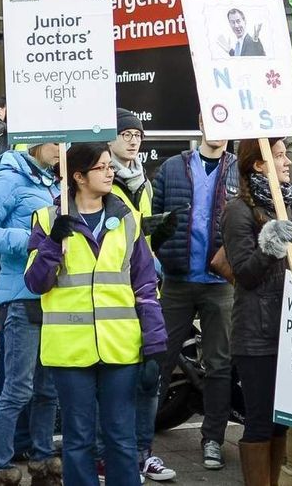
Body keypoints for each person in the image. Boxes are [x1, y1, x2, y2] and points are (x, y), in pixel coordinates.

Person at [23, 142, 166, 486]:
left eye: (109, 166)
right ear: (78, 176)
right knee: (78, 438)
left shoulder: (128, 219)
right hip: (70, 350)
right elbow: (35, 283)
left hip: (120, 347)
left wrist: (156, 341)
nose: (110, 171)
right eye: (101, 167)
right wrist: (51, 245)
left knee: (120, 437)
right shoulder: (47, 219)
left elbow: (146, 285)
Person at [222, 137, 292, 486]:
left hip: (289, 330)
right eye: (280, 155)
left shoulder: (285, 204)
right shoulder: (238, 210)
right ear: (258, 164)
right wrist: (269, 244)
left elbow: (290, 265)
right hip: (256, 335)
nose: (288, 162)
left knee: (281, 421)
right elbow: (245, 274)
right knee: (259, 421)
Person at [0, 142, 63, 486]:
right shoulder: (10, 177)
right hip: (21, 295)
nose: (62, 149)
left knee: (47, 388)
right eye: (56, 142)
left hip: (50, 297)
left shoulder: (51, 182)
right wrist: (31, 239)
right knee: (19, 388)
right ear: (38, 143)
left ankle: (42, 459)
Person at [149, 128, 236, 471]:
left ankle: (213, 438)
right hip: (177, 280)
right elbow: (154, 219)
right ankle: (140, 436)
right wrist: (162, 257)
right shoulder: (172, 168)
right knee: (158, 359)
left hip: (221, 282)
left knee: (219, 364)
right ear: (201, 122)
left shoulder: (238, 170)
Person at [105, 109, 171, 482]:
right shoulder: (103, 179)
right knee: (115, 379)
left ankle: (145, 452)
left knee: (150, 375)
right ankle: (111, 454)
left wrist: (157, 235)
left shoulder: (144, 182)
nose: (133, 140)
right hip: (113, 291)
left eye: (138, 135)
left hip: (147, 287)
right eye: (126, 133)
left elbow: (142, 235)